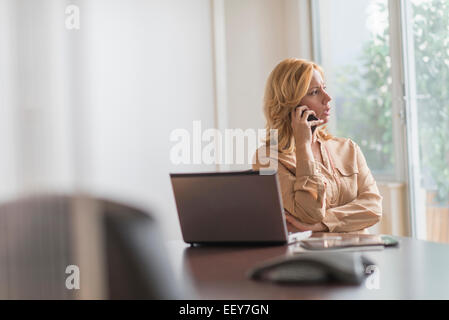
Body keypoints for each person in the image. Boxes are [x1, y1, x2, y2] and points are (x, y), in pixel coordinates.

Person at [253, 58, 382, 234]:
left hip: (358, 254)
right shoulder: (268, 158)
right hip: (311, 258)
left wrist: (322, 224)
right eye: (314, 92)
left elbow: (373, 208)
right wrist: (303, 146)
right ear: (290, 105)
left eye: (324, 88)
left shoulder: (348, 149)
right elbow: (309, 213)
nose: (327, 98)